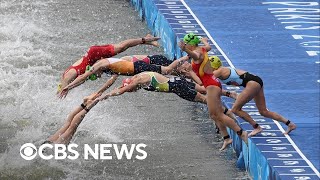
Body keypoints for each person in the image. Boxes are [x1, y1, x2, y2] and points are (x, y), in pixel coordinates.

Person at [47, 72, 236, 149]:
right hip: (178, 83)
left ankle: (225, 113)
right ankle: (227, 97)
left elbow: (119, 91)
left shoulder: (135, 82)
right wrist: (104, 90)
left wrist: (102, 96)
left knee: (69, 128)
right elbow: (116, 85)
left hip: (178, 87)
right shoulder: (140, 76)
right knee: (69, 125)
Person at [178, 32, 248, 146]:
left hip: (211, 86)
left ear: (190, 44)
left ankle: (241, 132)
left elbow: (196, 56)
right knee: (215, 114)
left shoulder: (197, 52)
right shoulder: (202, 48)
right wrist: (205, 41)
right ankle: (226, 138)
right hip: (212, 83)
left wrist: (185, 50)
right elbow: (209, 47)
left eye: (186, 43)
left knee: (217, 114)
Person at [209, 56, 297, 136]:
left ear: (213, 66)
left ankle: (256, 127)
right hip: (256, 81)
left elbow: (205, 82)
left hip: (252, 83)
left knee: (235, 109)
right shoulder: (220, 70)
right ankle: (290, 124)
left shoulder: (219, 71)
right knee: (263, 111)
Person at [57, 34, 160, 93]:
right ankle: (146, 40)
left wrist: (66, 89)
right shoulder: (72, 79)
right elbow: (81, 80)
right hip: (97, 63)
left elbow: (80, 78)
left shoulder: (70, 75)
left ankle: (145, 39)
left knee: (121, 47)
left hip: (93, 55)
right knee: (118, 66)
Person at [58, 55, 194, 98]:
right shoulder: (109, 68)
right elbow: (110, 83)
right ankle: (190, 75)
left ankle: (188, 56)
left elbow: (83, 77)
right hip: (138, 70)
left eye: (95, 75)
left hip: (139, 67)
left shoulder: (101, 65)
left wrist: (68, 87)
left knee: (169, 69)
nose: (98, 76)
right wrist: (99, 93)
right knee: (171, 73)